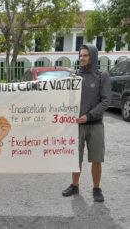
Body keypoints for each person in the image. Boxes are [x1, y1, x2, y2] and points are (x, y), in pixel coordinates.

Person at [62, 44, 111, 202]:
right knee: (76, 158)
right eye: (80, 55)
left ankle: (96, 188)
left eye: (85, 55)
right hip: (77, 125)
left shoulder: (101, 75)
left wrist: (89, 116)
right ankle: (74, 185)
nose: (81, 58)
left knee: (96, 159)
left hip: (95, 124)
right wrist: (69, 87)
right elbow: (68, 101)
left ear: (93, 57)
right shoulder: (74, 76)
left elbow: (105, 101)